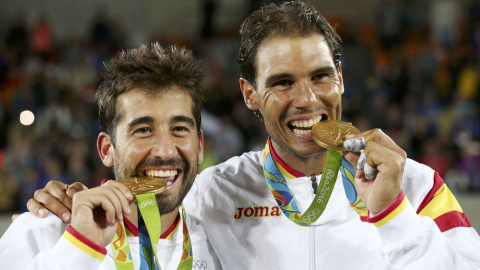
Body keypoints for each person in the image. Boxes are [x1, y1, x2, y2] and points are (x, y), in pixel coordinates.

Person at [23, 1, 480, 269]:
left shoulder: (416, 185)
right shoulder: (210, 192)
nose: (306, 99)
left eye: (321, 76)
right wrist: (62, 211)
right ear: (250, 94)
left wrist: (392, 213)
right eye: (282, 82)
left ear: (340, 78)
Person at [0, 43, 220, 269]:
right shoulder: (42, 233)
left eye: (180, 129)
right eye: (143, 130)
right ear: (107, 149)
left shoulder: (223, 242)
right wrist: (79, 247)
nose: (165, 151)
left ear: (200, 145)